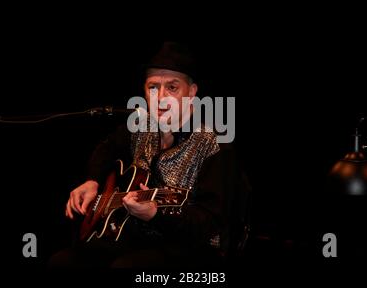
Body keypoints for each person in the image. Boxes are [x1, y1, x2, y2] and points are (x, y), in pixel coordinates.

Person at [48, 41, 244, 269]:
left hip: (193, 248)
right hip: (136, 237)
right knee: (62, 263)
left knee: (126, 268)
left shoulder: (214, 143)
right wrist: (93, 180)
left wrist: (156, 216)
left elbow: (209, 222)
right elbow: (107, 148)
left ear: (191, 93)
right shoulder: (141, 126)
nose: (160, 97)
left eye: (172, 87)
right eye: (153, 87)